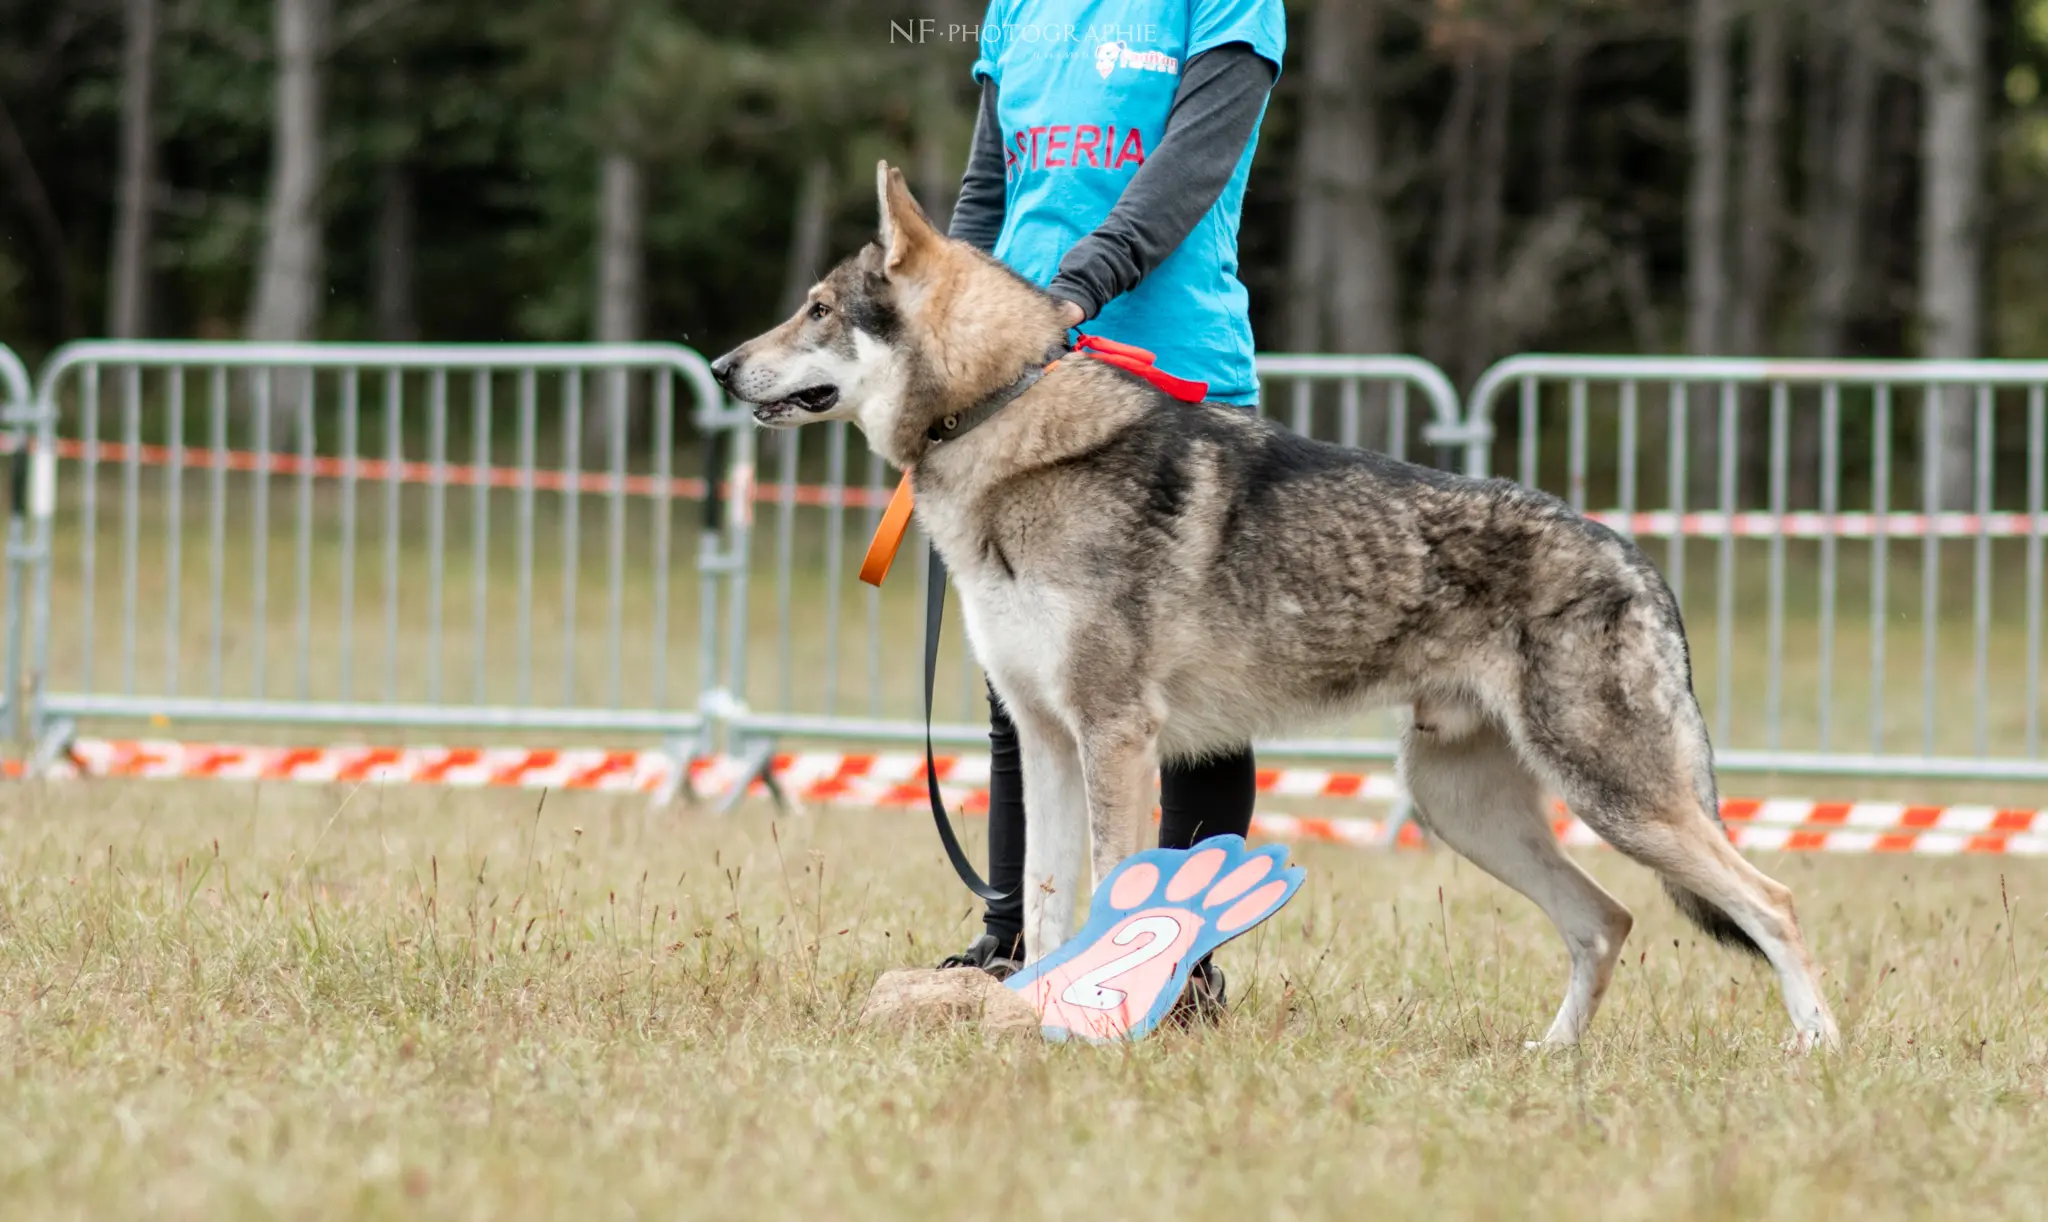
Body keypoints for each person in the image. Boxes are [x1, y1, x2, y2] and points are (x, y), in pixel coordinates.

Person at [935, 0, 1286, 1014]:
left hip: (1166, 372)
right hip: (1020, 379)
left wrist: (1077, 289)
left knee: (1194, 694)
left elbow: (1189, 168)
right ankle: (1014, 932)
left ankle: (1177, 961)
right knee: (1026, 676)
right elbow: (985, 189)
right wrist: (945, 329)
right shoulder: (1018, 9)